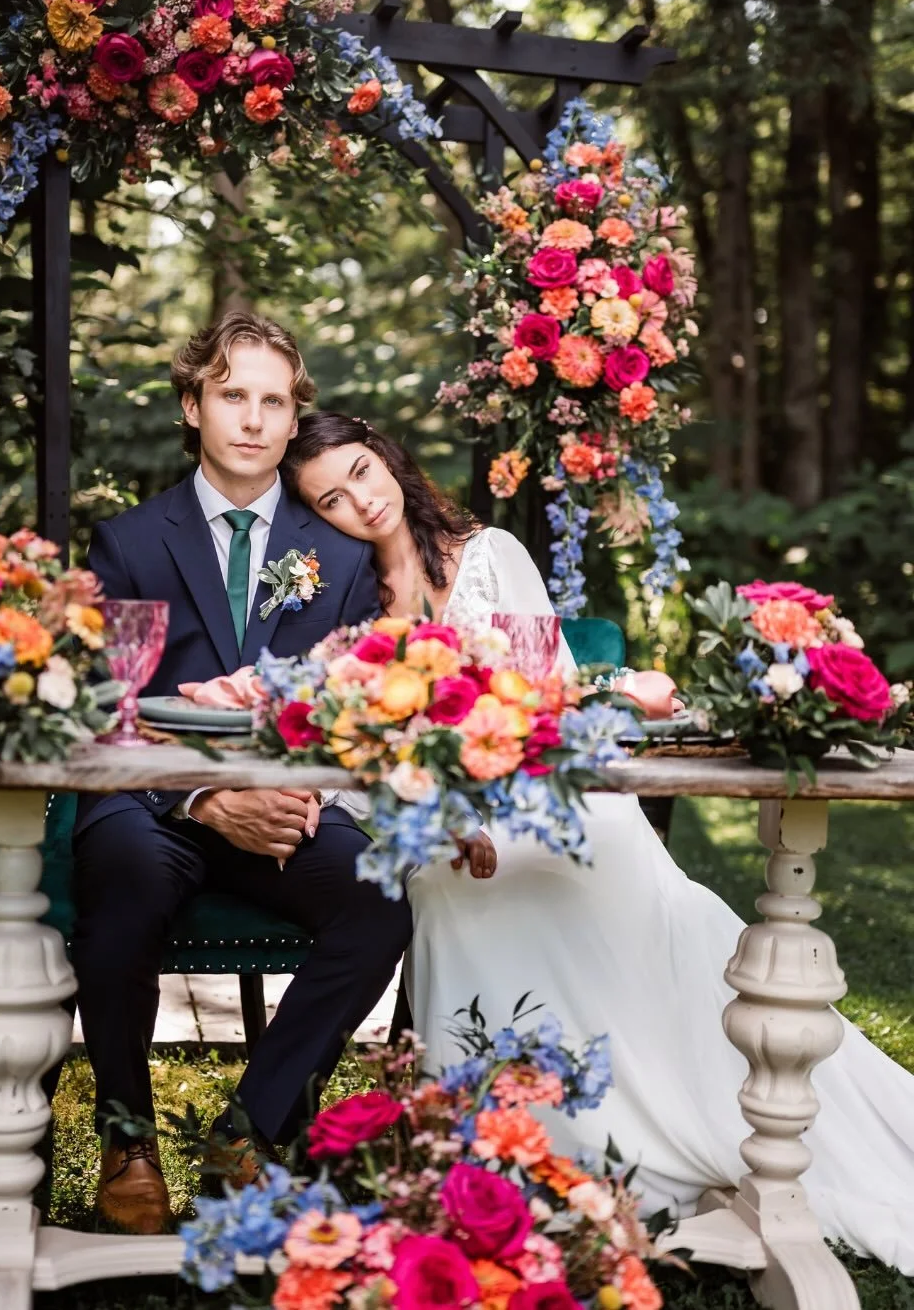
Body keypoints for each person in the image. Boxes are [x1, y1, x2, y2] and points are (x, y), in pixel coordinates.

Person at [281, 409, 914, 1275]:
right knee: (439, 886)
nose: (361, 499)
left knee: (610, 873)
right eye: (332, 499)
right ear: (316, 519)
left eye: (362, 471)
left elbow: (551, 696)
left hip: (551, 789)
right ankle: (521, 1151)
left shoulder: (492, 553)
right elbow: (362, 748)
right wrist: (453, 815)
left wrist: (580, 724)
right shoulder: (342, 612)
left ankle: (677, 1120)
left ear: (386, 457)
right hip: (443, 818)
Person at [71, 317, 412, 1235]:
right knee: (126, 875)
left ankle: (250, 1134)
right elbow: (107, 710)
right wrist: (203, 798)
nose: (254, 420)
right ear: (194, 406)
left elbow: (339, 711)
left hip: (284, 804)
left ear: (292, 419)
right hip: (154, 803)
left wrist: (282, 793)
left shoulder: (337, 557)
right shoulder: (129, 542)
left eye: (274, 401)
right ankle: (128, 1138)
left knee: (379, 899)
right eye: (233, 396)